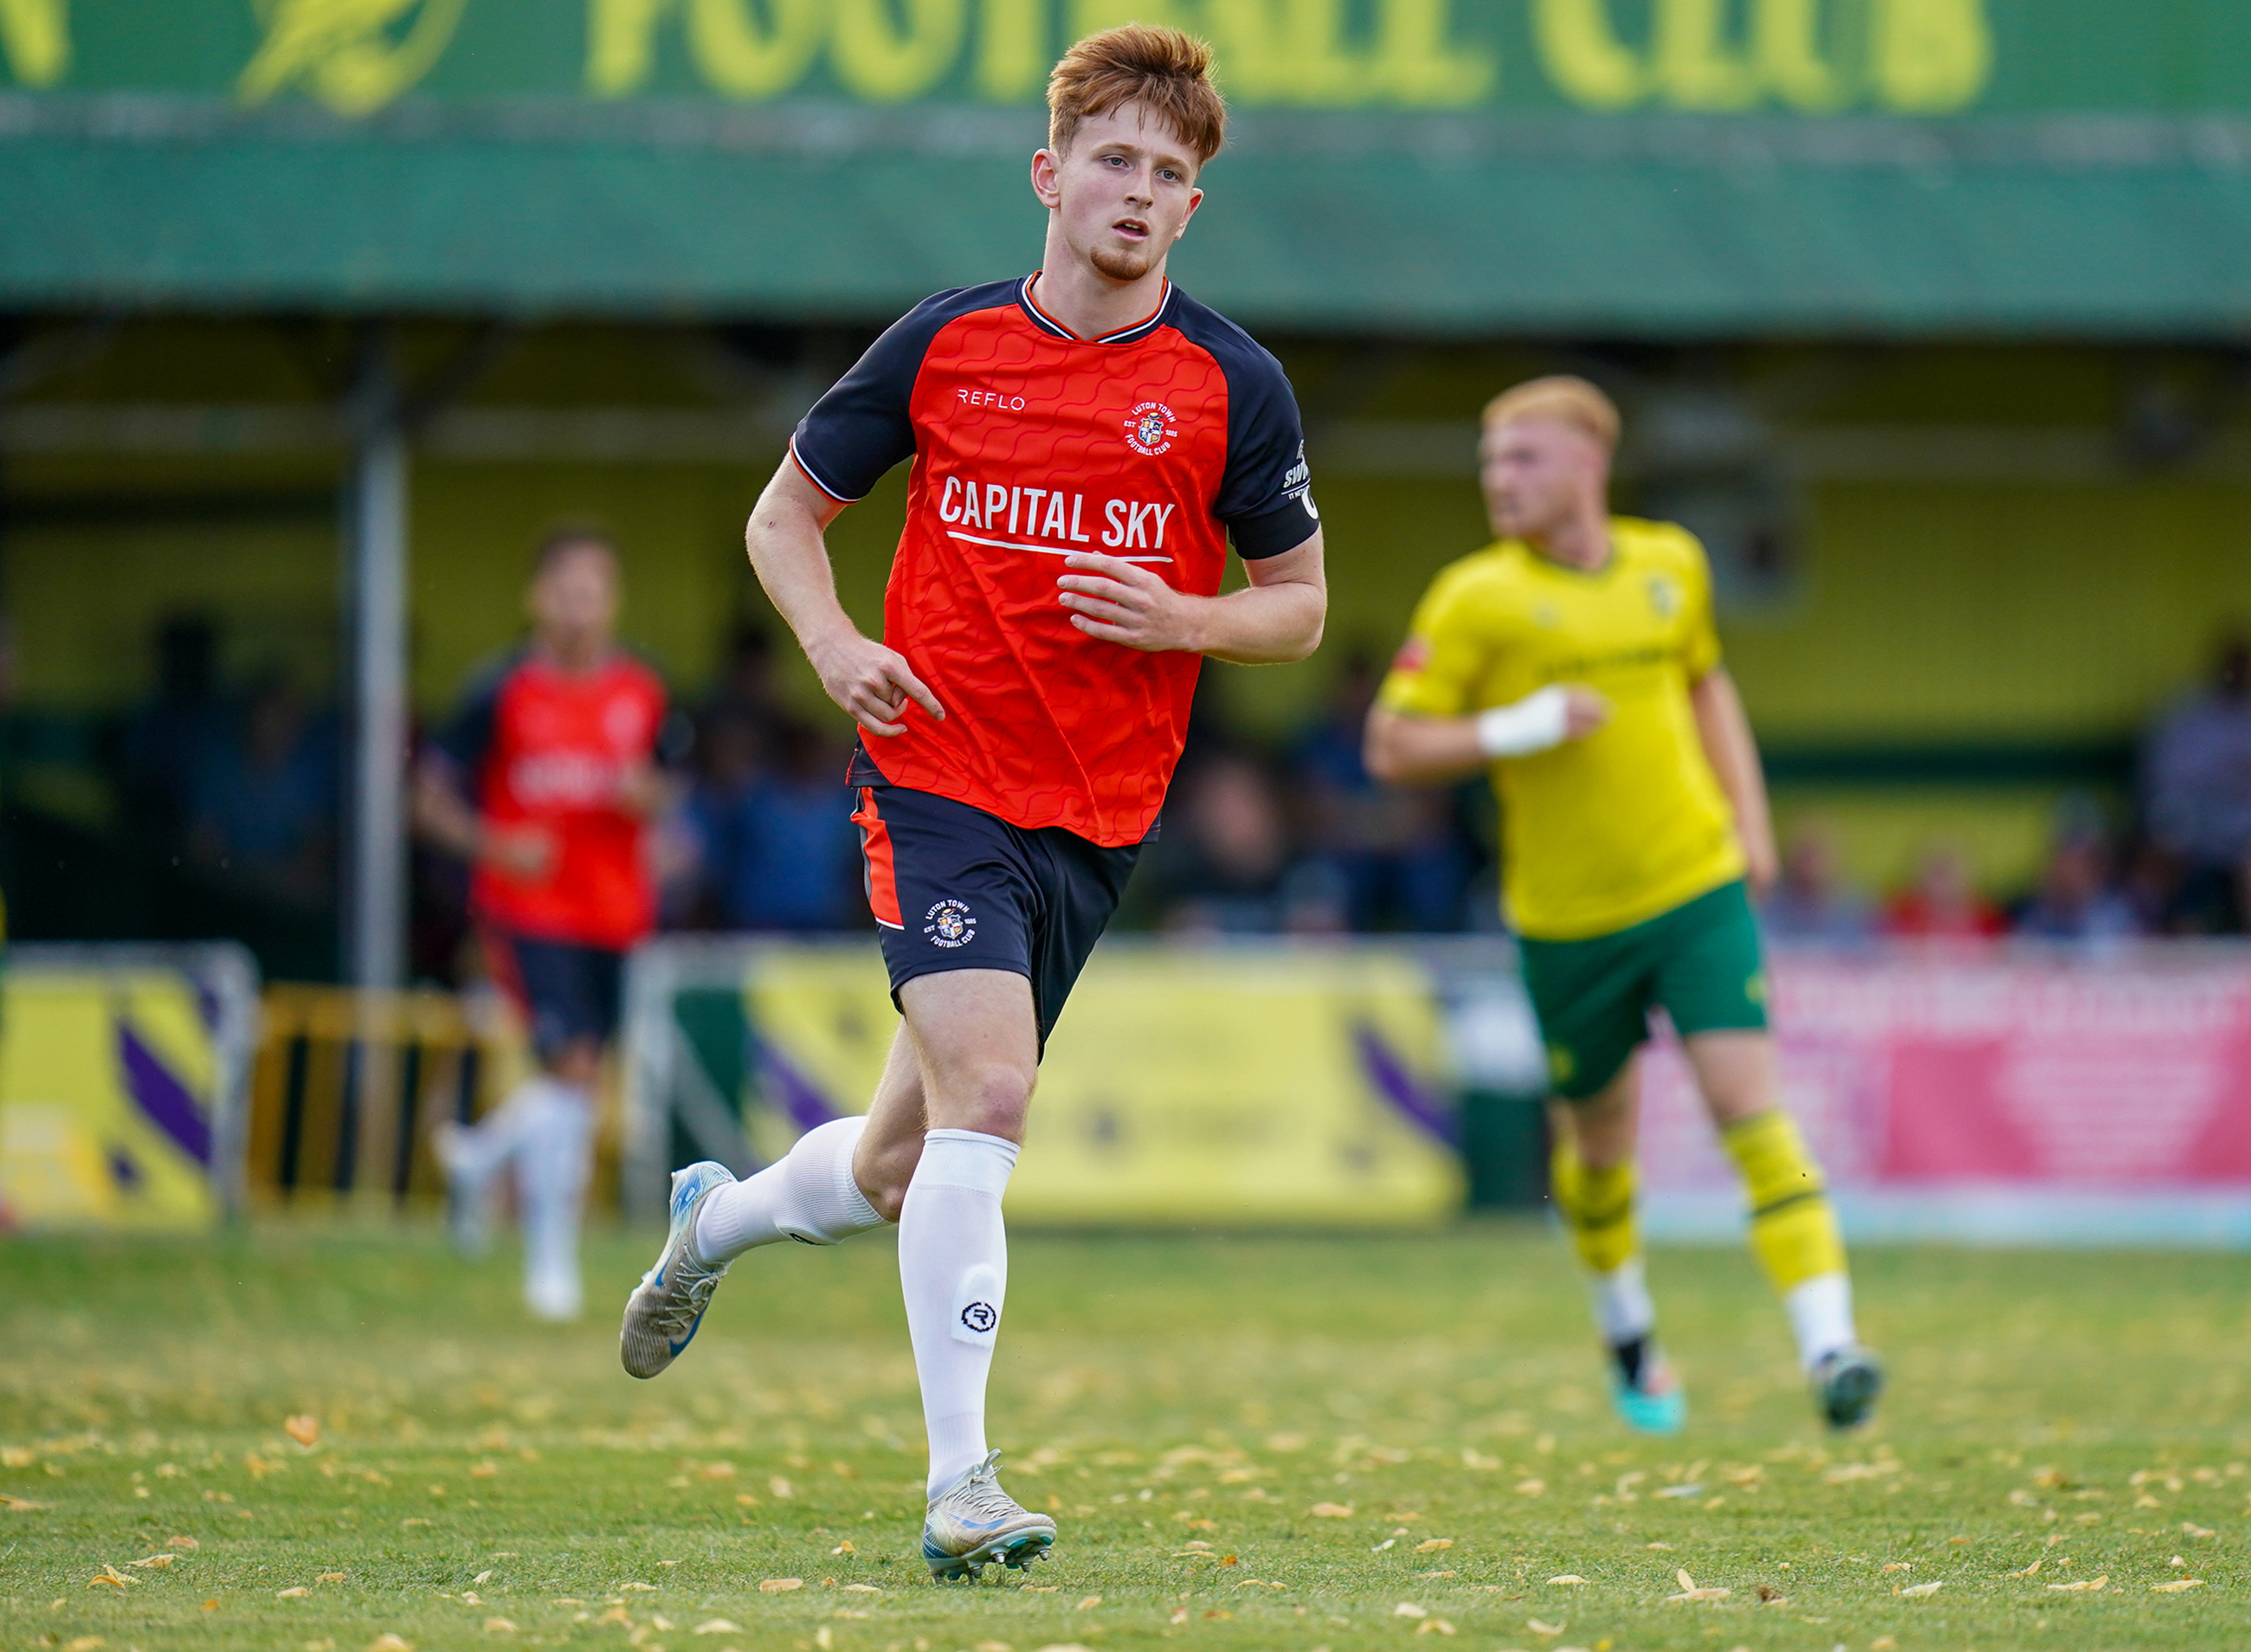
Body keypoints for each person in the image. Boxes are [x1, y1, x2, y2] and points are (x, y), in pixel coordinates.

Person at [616, 24, 1325, 1581]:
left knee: (894, 1166)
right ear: (1049, 174)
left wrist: (1183, 616)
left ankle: (712, 1223)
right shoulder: (942, 346)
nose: (1140, 193)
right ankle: (963, 1484)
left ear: (1195, 209)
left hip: (1098, 813)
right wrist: (833, 642)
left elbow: (1298, 607)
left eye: (1172, 175)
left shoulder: (1231, 383)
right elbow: (786, 514)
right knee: (991, 1097)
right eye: (1117, 161)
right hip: (935, 777)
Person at [1363, 376, 1880, 1436]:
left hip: (1692, 889)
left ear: (1587, 465)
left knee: (1753, 1111)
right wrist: (1519, 726)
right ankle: (1628, 1334)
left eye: (1522, 459)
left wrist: (1750, 820)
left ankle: (1830, 1346)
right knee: (1597, 1153)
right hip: (1565, 923)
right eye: (1489, 461)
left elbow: (1705, 682)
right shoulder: (1476, 598)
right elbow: (1391, 743)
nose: (1498, 481)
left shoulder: (1668, 565)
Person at [415, 530, 668, 1321]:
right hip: (526, 910)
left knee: (583, 1083)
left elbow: (669, 790)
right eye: (565, 589)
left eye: (594, 589)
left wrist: (646, 797)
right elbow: (424, 797)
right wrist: (492, 843)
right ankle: (548, 1265)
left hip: (616, 914)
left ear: (614, 599)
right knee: (572, 1071)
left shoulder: (644, 692)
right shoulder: (500, 691)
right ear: (536, 597)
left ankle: (480, 1155)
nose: (579, 606)